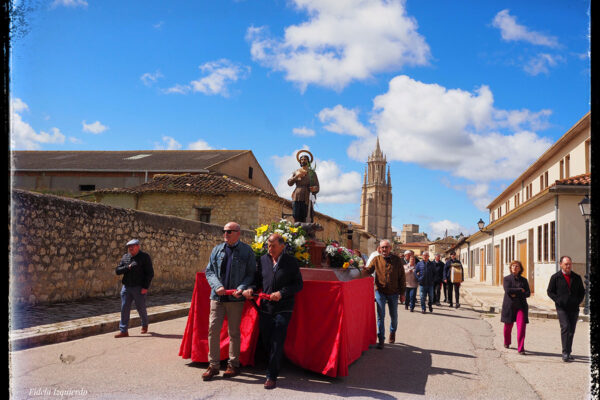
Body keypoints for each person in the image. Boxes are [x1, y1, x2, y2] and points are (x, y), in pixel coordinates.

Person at [243, 233, 303, 389]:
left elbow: (298, 285)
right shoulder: (262, 260)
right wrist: (250, 289)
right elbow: (256, 281)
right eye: (268, 245)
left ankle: (271, 375)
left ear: (282, 246)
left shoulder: (291, 262)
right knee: (267, 339)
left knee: (277, 340)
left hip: (284, 307)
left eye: (273, 246)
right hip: (266, 307)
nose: (270, 249)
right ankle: (275, 363)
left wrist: (282, 293)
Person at [202, 222, 256, 381]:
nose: (226, 233)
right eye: (224, 231)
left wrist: (241, 287)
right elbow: (209, 270)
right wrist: (217, 285)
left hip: (235, 298)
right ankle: (213, 366)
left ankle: (233, 365)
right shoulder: (217, 249)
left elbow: (251, 274)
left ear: (238, 233)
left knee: (233, 332)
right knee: (213, 330)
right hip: (217, 297)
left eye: (229, 231)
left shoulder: (247, 251)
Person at [362, 239, 406, 348]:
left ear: (390, 248)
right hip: (380, 291)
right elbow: (368, 271)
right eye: (382, 247)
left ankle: (392, 332)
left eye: (386, 247)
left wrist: (402, 293)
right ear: (379, 249)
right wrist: (359, 269)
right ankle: (381, 338)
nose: (384, 249)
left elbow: (402, 277)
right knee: (381, 316)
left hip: (393, 292)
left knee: (394, 315)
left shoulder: (397, 260)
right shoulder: (376, 259)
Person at [546, 255, 585, 362]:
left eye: (570, 264)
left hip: (574, 308)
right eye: (566, 264)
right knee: (566, 327)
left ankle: (568, 352)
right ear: (561, 264)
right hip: (561, 308)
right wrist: (558, 300)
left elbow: (582, 291)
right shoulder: (555, 277)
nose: (568, 266)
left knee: (571, 330)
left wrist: (578, 301)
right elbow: (550, 291)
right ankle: (564, 353)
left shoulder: (576, 277)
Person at [115, 239, 154, 338]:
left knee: (140, 308)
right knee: (124, 308)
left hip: (139, 287)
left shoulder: (144, 257)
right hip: (126, 288)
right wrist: (127, 268)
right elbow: (118, 271)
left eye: (132, 246)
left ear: (138, 246)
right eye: (129, 246)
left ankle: (144, 324)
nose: (130, 248)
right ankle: (123, 330)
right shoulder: (125, 257)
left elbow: (150, 273)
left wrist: (145, 287)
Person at [501, 260, 531, 354]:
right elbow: (508, 290)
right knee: (507, 327)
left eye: (517, 266)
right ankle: (507, 342)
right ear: (510, 268)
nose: (514, 267)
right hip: (509, 306)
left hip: (521, 306)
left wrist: (516, 292)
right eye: (513, 266)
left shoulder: (524, 280)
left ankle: (521, 348)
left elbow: (528, 293)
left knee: (521, 327)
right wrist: (520, 290)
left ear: (520, 269)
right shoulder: (506, 279)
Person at [287, 151, 319, 223]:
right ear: (299, 161)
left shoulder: (312, 173)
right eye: (301, 159)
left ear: (308, 161)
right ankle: (296, 232)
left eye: (305, 159)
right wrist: (296, 177)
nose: (303, 161)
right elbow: (289, 183)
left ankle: (307, 233)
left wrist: (314, 188)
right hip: (297, 196)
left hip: (307, 197)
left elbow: (317, 186)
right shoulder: (296, 172)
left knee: (307, 216)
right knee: (296, 215)